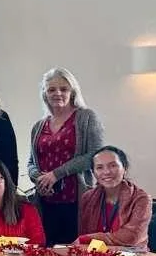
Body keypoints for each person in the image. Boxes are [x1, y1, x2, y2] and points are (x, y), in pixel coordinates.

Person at [26, 67, 105, 246]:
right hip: (45, 201)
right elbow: (31, 162)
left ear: (72, 91)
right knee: (46, 252)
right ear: (45, 94)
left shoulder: (86, 117)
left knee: (74, 253)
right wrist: (40, 179)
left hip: (76, 200)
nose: (58, 93)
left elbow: (95, 155)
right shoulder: (39, 126)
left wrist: (56, 174)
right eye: (51, 89)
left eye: (63, 89)